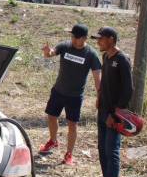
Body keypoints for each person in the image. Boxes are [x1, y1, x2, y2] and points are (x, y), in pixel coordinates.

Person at [39, 24, 102, 165]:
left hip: (75, 96)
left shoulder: (91, 54)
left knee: (72, 125)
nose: (72, 39)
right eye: (72, 36)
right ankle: (53, 141)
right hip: (58, 91)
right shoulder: (65, 46)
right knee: (51, 116)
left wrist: (100, 96)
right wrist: (47, 52)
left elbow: (97, 77)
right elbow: (50, 54)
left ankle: (69, 154)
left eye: (76, 37)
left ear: (84, 38)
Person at [89, 27, 134, 177]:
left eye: (101, 39)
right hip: (103, 111)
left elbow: (128, 90)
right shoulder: (106, 57)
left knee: (112, 150)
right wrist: (99, 97)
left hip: (114, 115)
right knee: (102, 148)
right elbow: (105, 83)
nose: (98, 42)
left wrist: (115, 114)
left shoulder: (122, 59)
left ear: (111, 39)